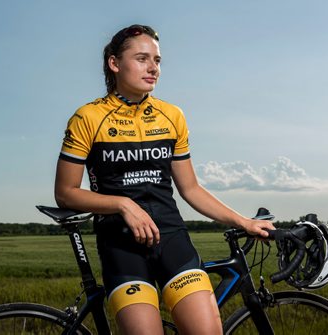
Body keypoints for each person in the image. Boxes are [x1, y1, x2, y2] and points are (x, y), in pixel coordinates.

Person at [55, 24, 274, 335]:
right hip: (121, 246)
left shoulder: (172, 116)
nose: (153, 68)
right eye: (142, 58)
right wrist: (122, 204)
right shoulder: (88, 117)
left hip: (172, 239)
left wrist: (244, 222)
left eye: (157, 60)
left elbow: (191, 189)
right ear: (115, 63)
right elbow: (65, 193)